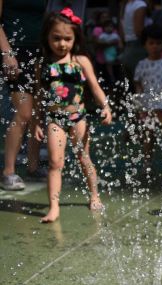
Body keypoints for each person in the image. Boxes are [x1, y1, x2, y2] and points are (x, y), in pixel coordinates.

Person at [33, 8, 113, 223]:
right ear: (47, 37)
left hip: (78, 118)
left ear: (75, 38)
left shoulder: (80, 61)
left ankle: (94, 195)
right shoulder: (43, 65)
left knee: (84, 157)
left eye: (67, 39)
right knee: (54, 162)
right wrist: (38, 122)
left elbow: (95, 88)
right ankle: (53, 206)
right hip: (54, 120)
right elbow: (39, 96)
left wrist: (105, 106)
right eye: (56, 38)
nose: (62, 44)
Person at [1, 0, 47, 190]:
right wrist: (6, 53)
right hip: (14, 50)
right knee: (24, 112)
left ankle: (33, 165)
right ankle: (8, 172)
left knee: (39, 110)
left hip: (39, 48)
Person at [133, 24, 162, 178]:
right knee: (148, 137)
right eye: (151, 43)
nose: (155, 46)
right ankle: (147, 164)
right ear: (145, 45)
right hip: (148, 106)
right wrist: (139, 105)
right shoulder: (141, 65)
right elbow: (138, 85)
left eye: (158, 43)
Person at [119, 0, 149, 80]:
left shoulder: (125, 5)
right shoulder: (139, 4)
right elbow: (138, 31)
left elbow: (121, 32)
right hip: (138, 47)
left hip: (128, 48)